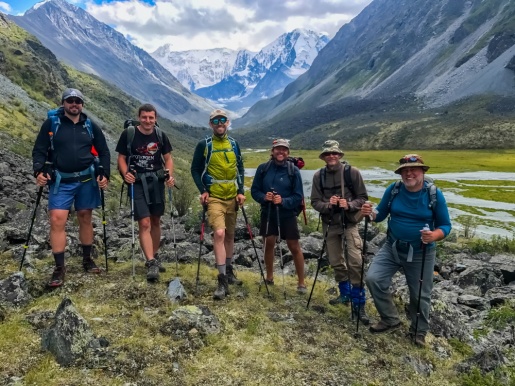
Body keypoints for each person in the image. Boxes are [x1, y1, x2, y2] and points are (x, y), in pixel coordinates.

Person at [361, 154, 451, 346]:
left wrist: (434, 236)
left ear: (422, 172)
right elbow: (380, 214)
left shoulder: (434, 194)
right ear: (401, 173)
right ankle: (390, 319)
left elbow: (445, 226)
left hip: (421, 252)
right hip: (392, 246)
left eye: (414, 170)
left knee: (420, 293)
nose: (409, 174)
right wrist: (370, 213)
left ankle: (418, 331)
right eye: (405, 171)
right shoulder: (393, 190)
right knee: (373, 278)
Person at [32, 88, 110, 287]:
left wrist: (105, 173)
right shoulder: (51, 124)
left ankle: (87, 258)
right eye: (70, 101)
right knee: (57, 219)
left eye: (77, 101)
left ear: (82, 104)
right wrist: (38, 171)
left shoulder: (90, 126)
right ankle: (59, 267)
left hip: (86, 179)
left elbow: (103, 151)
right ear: (63, 103)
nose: (74, 104)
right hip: (61, 180)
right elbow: (39, 150)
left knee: (85, 216)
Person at [311, 140, 369, 323]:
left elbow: (363, 198)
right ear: (324, 157)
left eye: (334, 153)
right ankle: (345, 295)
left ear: (339, 155)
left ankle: (359, 303)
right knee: (336, 261)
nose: (331, 156)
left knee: (355, 261)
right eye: (328, 154)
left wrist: (348, 204)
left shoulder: (352, 173)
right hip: (330, 224)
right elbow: (314, 202)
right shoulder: (318, 176)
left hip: (350, 223)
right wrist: (329, 205)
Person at [116, 104, 175, 282]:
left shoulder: (160, 135)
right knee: (144, 222)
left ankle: (153, 257)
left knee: (156, 220)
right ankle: (150, 261)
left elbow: (168, 158)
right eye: (144, 117)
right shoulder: (129, 134)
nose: (147, 121)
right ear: (139, 117)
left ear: (155, 118)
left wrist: (169, 175)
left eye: (151, 117)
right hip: (137, 182)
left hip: (156, 181)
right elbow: (121, 157)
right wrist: (126, 174)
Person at [191, 109, 245, 300]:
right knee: (220, 234)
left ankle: (229, 271)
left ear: (228, 122)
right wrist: (202, 190)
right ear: (211, 124)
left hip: (232, 197)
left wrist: (241, 192)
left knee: (230, 235)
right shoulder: (204, 145)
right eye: (216, 120)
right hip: (214, 197)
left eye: (222, 120)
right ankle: (221, 279)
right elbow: (195, 169)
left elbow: (240, 168)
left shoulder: (234, 144)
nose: (219, 123)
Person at [251, 139, 307, 294]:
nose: (280, 152)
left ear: (288, 152)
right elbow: (255, 191)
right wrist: (264, 197)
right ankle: (269, 277)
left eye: (284, 149)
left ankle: (301, 283)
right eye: (277, 149)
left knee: (294, 246)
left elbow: (298, 196)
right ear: (272, 151)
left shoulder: (293, 170)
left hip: (287, 213)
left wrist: (283, 201)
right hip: (268, 212)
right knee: (268, 242)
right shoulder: (263, 169)